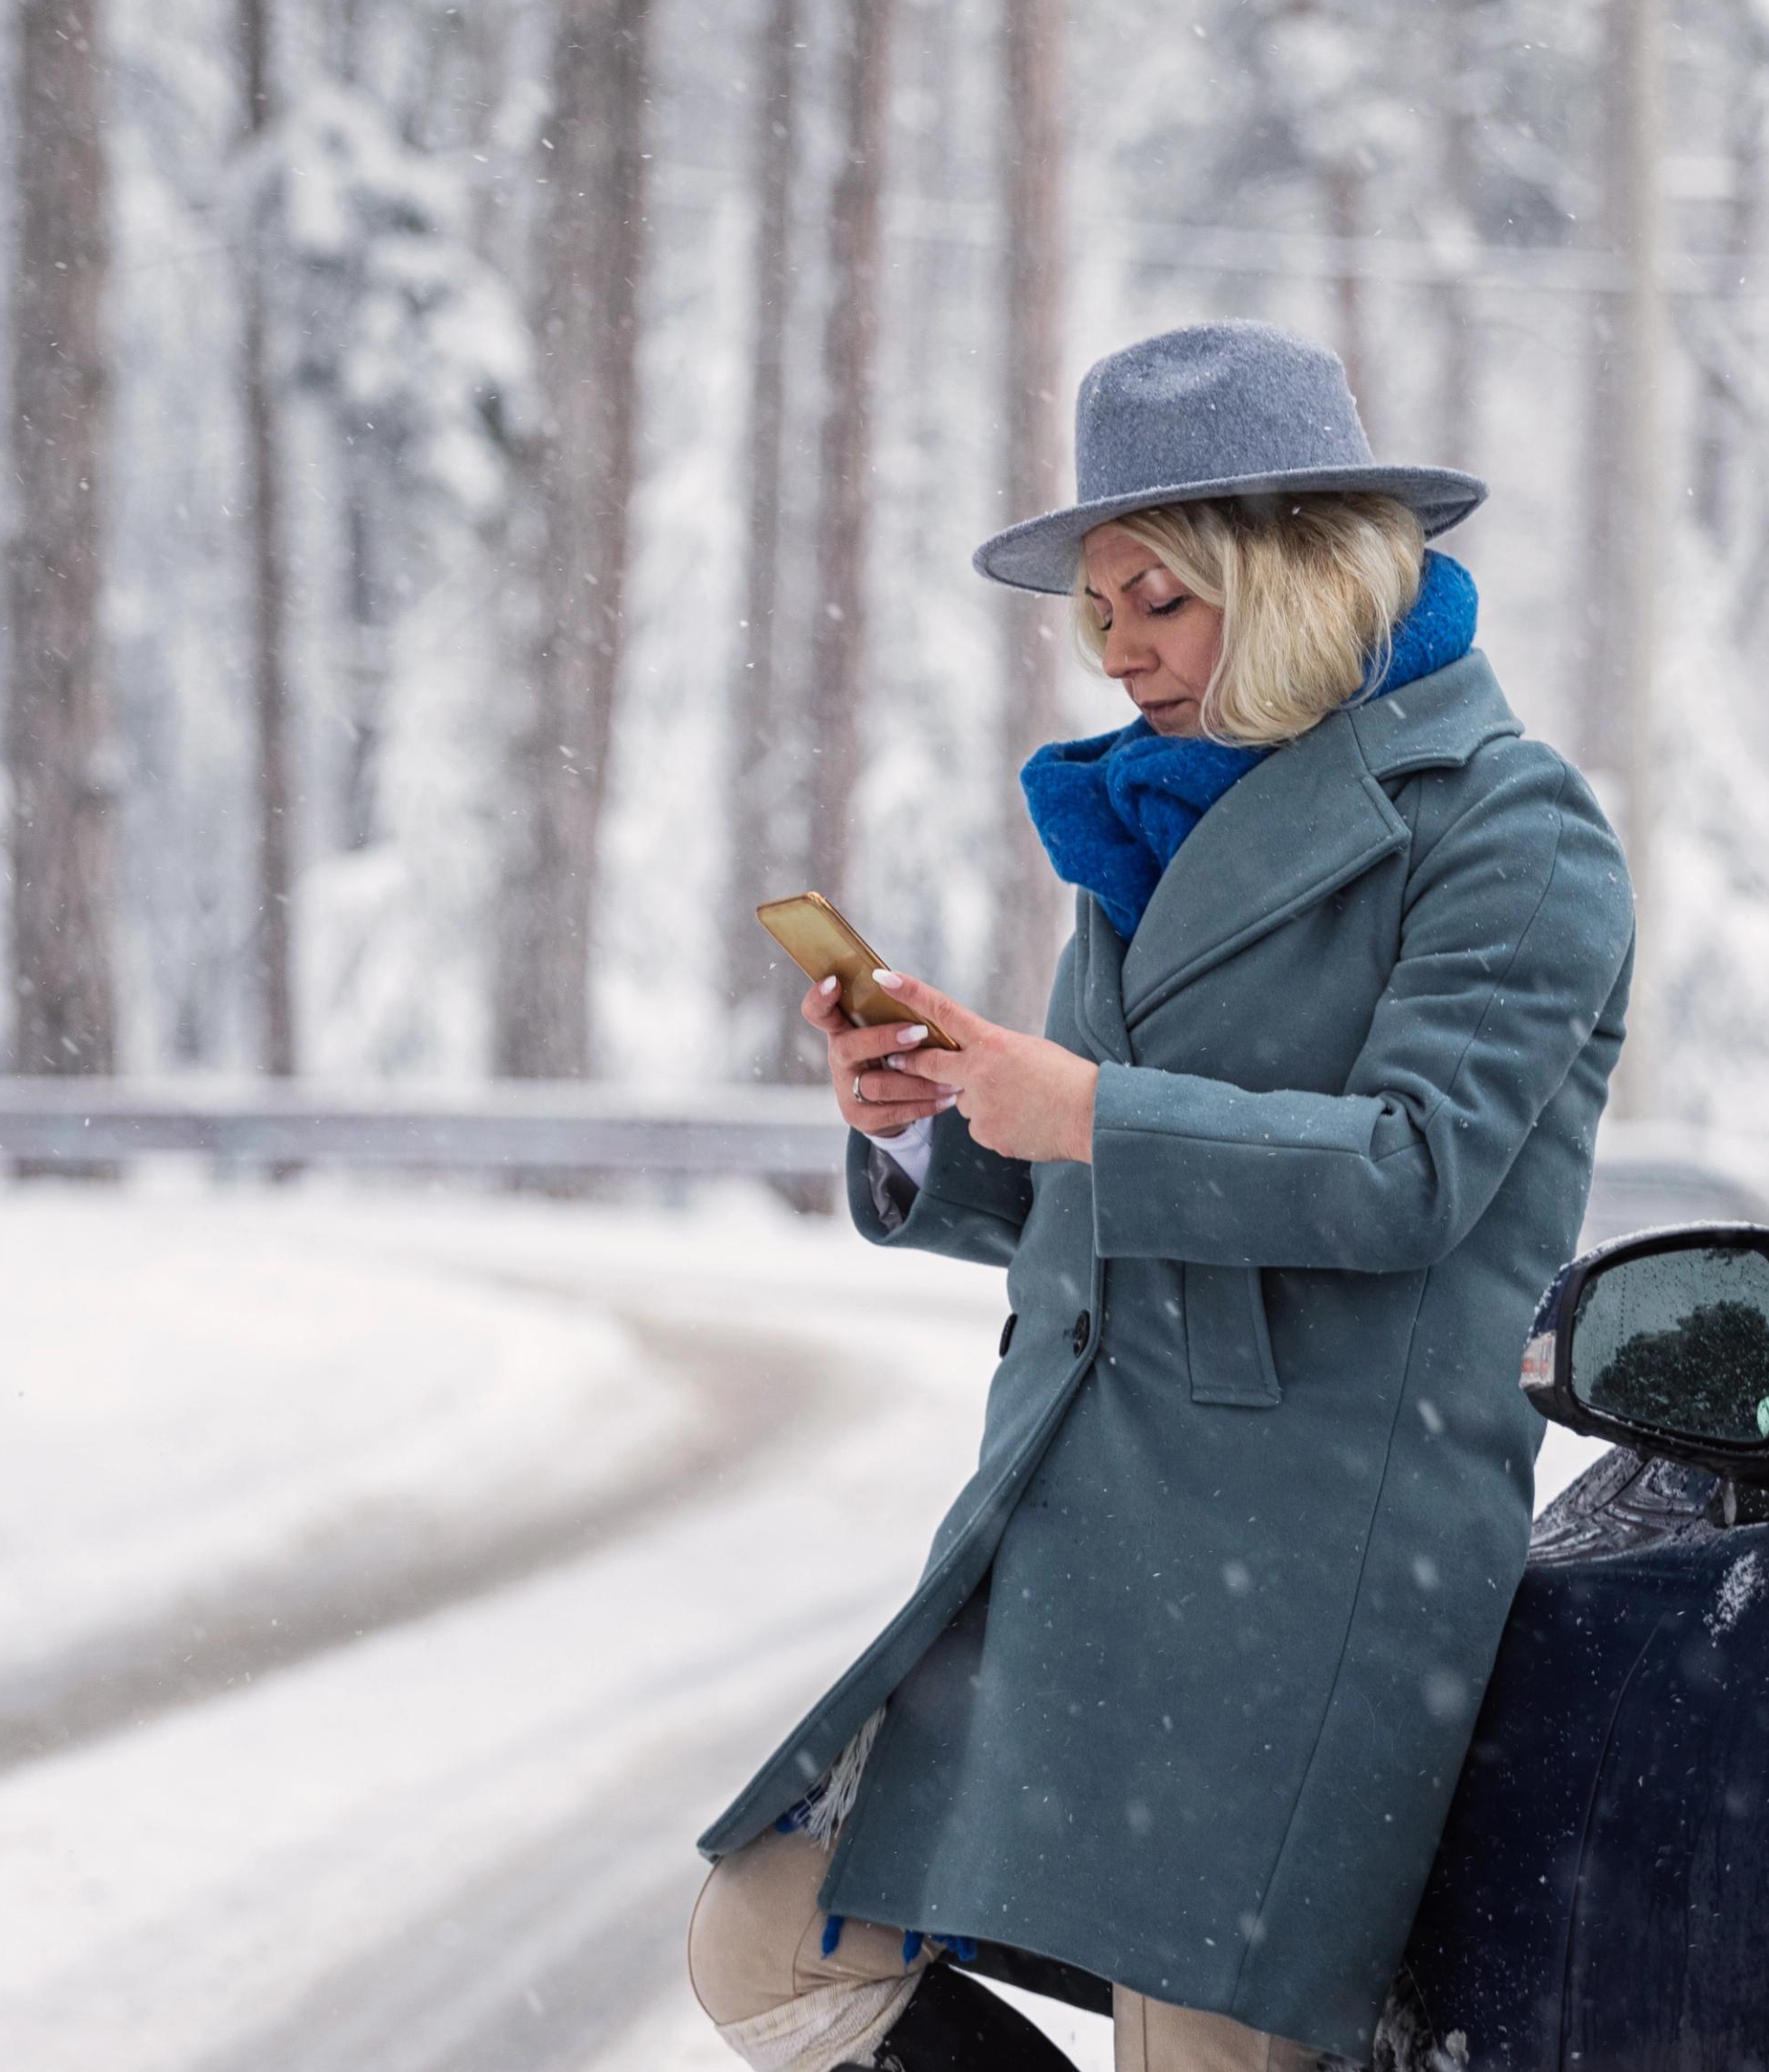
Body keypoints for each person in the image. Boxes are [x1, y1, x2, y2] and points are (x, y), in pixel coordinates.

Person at [682, 322, 1635, 2072]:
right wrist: (931, 1123)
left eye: (1160, 600)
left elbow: (1412, 1173)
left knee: (1199, 2051)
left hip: (1305, 1569)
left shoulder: (1513, 830)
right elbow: (1104, 1190)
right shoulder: (1154, 827)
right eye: (1100, 608)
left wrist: (1090, 1114)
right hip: (1087, 1537)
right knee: (767, 1933)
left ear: (1292, 580)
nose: (1118, 647)